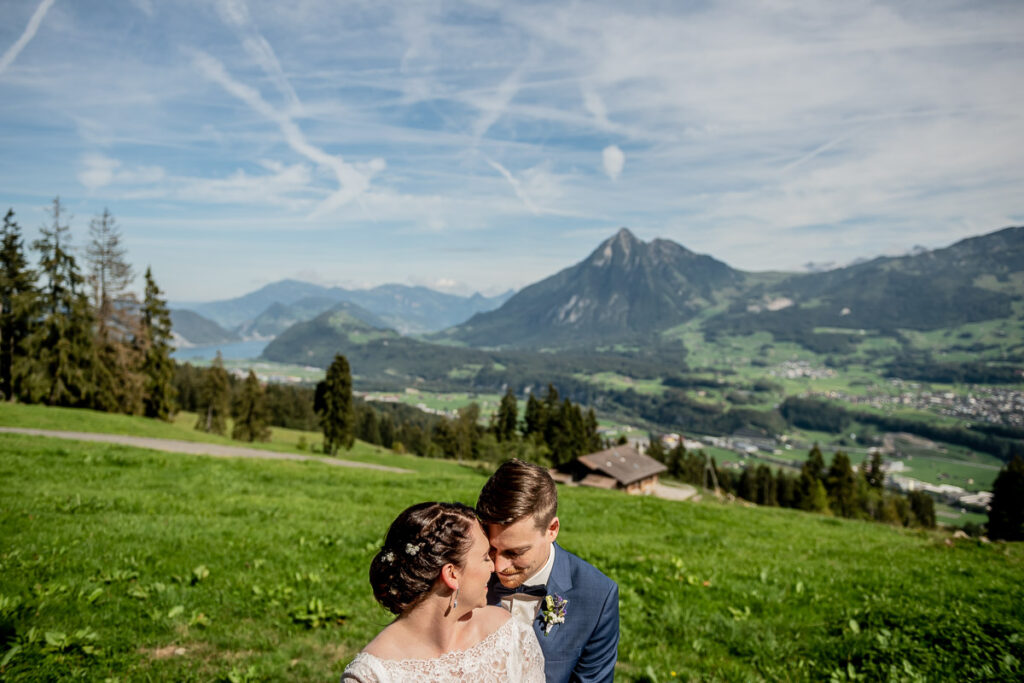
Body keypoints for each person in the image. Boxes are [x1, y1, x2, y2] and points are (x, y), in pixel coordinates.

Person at [342, 501, 545, 682]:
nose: (494, 567)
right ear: (451, 574)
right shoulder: (373, 675)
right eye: (485, 557)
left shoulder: (508, 635)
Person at [477, 459, 619, 683]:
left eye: (515, 552)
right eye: (492, 549)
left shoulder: (597, 597)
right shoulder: (467, 577)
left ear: (552, 530)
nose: (498, 567)